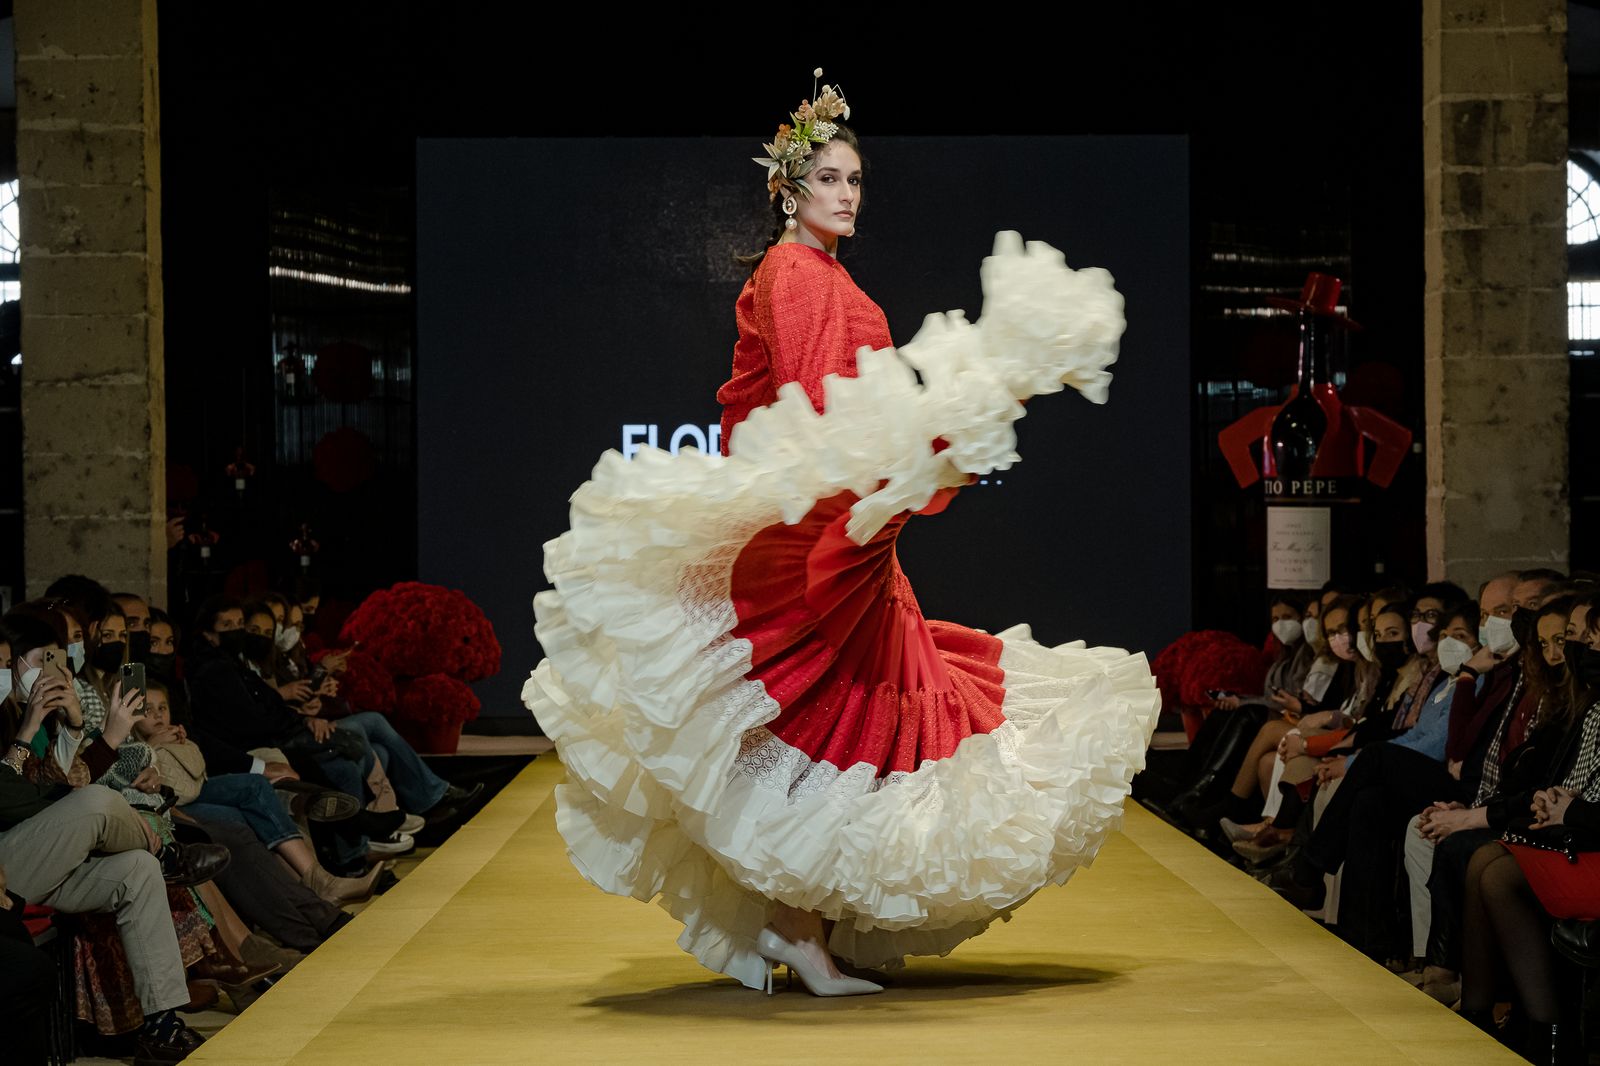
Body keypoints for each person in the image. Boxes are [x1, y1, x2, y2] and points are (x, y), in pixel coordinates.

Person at [522, 75, 1158, 996]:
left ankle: (805, 929)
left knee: (845, 707)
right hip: (828, 523)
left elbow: (829, 409)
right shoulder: (797, 275)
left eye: (856, 178)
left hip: (843, 521)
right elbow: (821, 405)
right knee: (834, 708)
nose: (848, 193)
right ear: (790, 188)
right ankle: (798, 933)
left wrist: (927, 445)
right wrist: (921, 449)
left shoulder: (821, 275)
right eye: (829, 177)